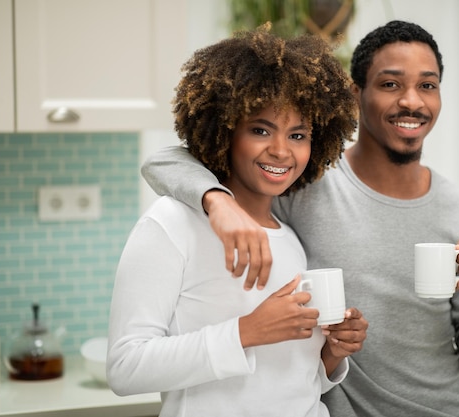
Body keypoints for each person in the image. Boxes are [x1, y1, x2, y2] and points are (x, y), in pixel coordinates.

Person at [141, 20, 459, 417]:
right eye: (390, 84)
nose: (412, 101)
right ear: (356, 95)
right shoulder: (305, 185)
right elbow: (162, 161)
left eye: (428, 85)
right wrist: (219, 200)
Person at [107, 24, 367, 417]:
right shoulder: (172, 224)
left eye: (298, 135)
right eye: (261, 130)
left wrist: (330, 353)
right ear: (225, 131)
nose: (281, 151)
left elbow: (288, 381)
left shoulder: (290, 237)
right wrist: (247, 331)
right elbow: (125, 368)